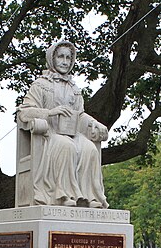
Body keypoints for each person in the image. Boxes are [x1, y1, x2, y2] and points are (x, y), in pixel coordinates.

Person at [17, 41, 109, 208]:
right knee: (66, 146)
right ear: (52, 58)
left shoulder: (75, 89)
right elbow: (24, 112)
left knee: (89, 149)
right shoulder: (40, 85)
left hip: (73, 133)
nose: (65, 61)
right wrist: (50, 112)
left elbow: (80, 115)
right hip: (49, 135)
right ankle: (63, 196)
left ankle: (89, 197)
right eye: (61, 57)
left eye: (68, 57)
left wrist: (96, 124)